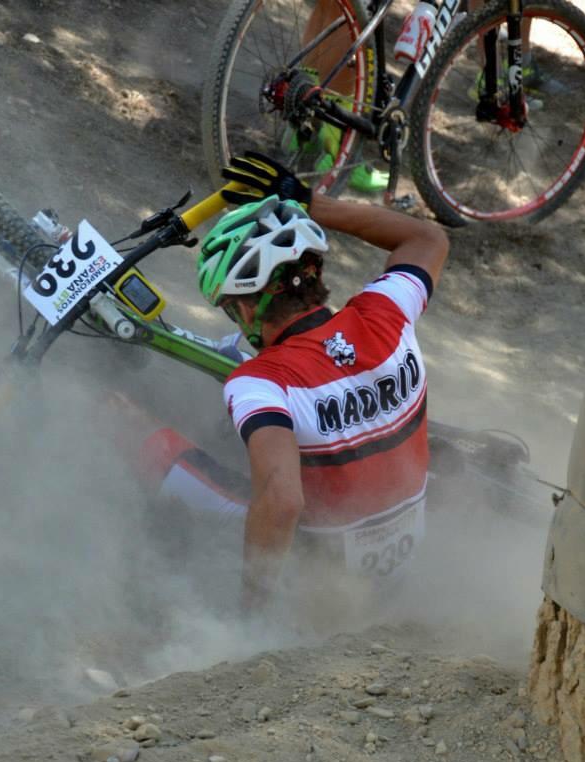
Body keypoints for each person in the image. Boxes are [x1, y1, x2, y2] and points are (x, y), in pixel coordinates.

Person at [130, 153, 449, 614]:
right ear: (313, 272)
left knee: (130, 423)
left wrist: (250, 617)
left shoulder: (259, 382)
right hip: (402, 563)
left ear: (245, 308)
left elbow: (281, 502)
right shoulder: (388, 312)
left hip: (322, 585)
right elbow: (426, 237)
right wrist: (305, 200)